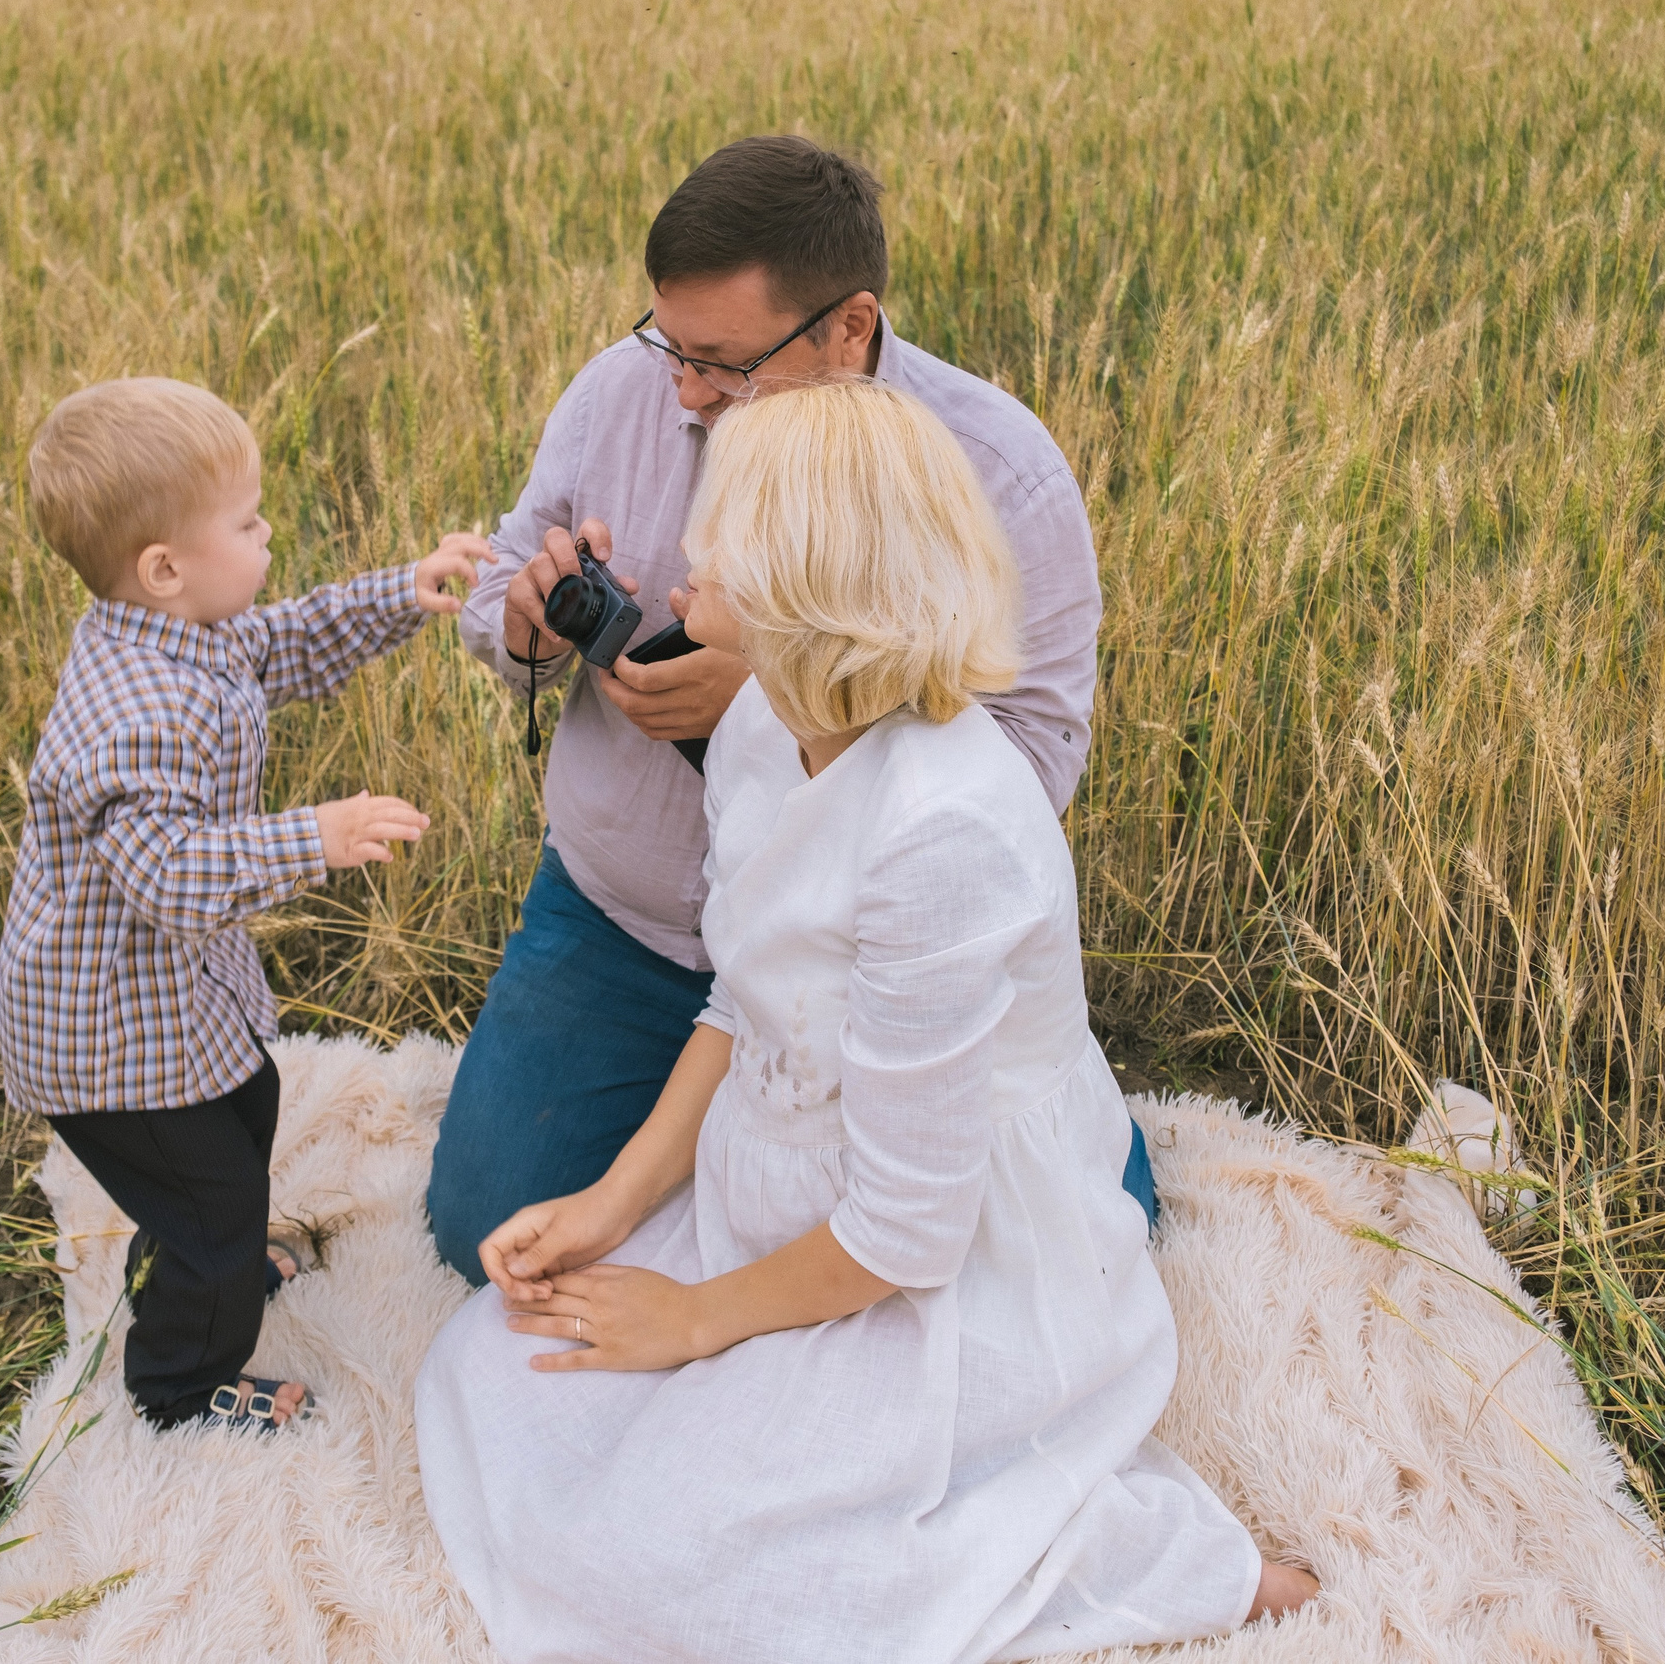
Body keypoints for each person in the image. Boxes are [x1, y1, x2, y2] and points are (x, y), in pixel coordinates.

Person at [416, 382, 1317, 1662]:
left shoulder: (942, 829)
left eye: (721, 548)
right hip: (790, 1172)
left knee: (665, 1577)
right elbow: (745, 995)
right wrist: (616, 1203)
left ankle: (1136, 1553)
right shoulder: (764, 729)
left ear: (803, 594)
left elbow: (907, 1230)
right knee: (489, 1378)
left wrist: (694, 1318)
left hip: (942, 1256)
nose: (684, 579)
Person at [430, 134, 1153, 1284]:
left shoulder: (999, 473)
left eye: (720, 361)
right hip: (623, 925)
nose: (681, 388)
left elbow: (1033, 766)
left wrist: (782, 707)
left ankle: (990, 1074)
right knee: (484, 1231)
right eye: (667, 345)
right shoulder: (619, 390)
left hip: (871, 953)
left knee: (1078, 1248)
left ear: (848, 328)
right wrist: (518, 622)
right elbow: (496, 580)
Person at [0, 376, 491, 1429]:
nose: (271, 533)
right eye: (249, 519)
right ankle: (180, 1380)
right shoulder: (132, 714)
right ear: (164, 567)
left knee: (247, 1109)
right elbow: (171, 878)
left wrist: (404, 591)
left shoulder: (189, 631)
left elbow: (290, 639)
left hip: (167, 1002)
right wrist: (320, 834)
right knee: (214, 1197)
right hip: (104, 1037)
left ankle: (185, 1249)